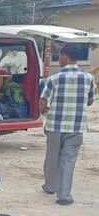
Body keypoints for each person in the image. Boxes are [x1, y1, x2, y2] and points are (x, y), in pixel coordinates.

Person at [40, 44, 96, 205]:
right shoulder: (89, 78)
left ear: (64, 56)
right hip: (76, 128)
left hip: (55, 126)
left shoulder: (53, 79)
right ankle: (64, 196)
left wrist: (43, 112)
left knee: (52, 159)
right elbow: (91, 100)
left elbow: (43, 100)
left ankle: (50, 186)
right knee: (69, 160)